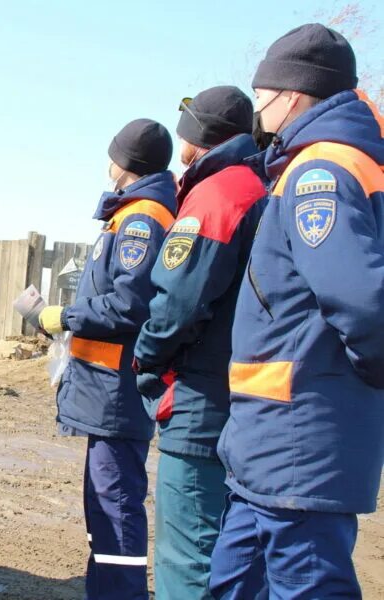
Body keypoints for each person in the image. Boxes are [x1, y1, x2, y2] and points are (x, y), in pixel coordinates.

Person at [210, 24, 384, 599]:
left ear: (292, 95)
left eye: (263, 94)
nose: (256, 105)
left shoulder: (319, 172)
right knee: (234, 584)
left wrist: (358, 382)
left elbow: (361, 300)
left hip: (299, 445)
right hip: (270, 448)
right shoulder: (315, 165)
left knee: (306, 586)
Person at [131, 86, 266, 600]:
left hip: (200, 404)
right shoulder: (257, 183)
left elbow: (177, 304)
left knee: (188, 560)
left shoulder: (217, 194)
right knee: (234, 562)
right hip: (243, 402)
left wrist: (146, 357)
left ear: (195, 139)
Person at [37, 119, 176, 600]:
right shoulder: (128, 215)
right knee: (104, 513)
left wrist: (65, 316)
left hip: (116, 392)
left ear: (125, 163)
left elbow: (127, 304)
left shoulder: (142, 218)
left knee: (115, 511)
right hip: (104, 391)